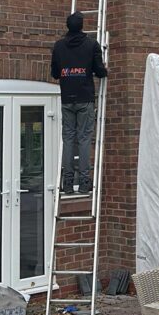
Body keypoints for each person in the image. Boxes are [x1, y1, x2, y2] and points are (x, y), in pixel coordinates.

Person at [51, 11, 108, 194]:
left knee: (68, 139)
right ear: (82, 26)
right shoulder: (91, 45)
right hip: (85, 99)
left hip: (67, 98)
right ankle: (84, 182)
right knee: (83, 139)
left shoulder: (59, 46)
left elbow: (55, 73)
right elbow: (99, 71)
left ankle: (67, 183)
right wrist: (105, 70)